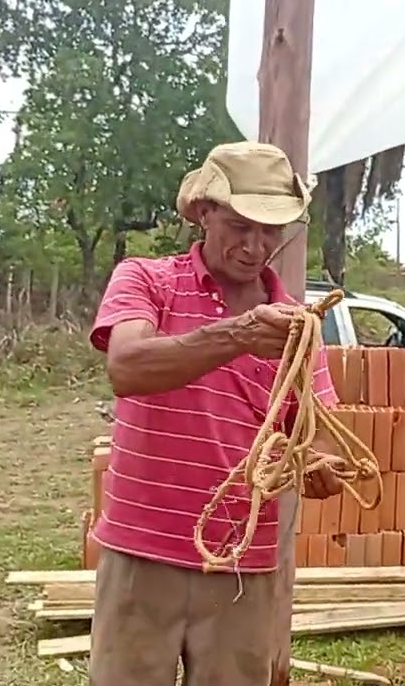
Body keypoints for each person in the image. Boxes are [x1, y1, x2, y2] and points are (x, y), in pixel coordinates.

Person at [86, 141, 345, 686]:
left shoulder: (298, 327)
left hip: (241, 567)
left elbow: (324, 437)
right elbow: (128, 367)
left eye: (271, 231)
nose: (256, 246)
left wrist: (318, 466)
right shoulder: (146, 279)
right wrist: (238, 335)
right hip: (141, 550)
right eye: (240, 226)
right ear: (205, 212)